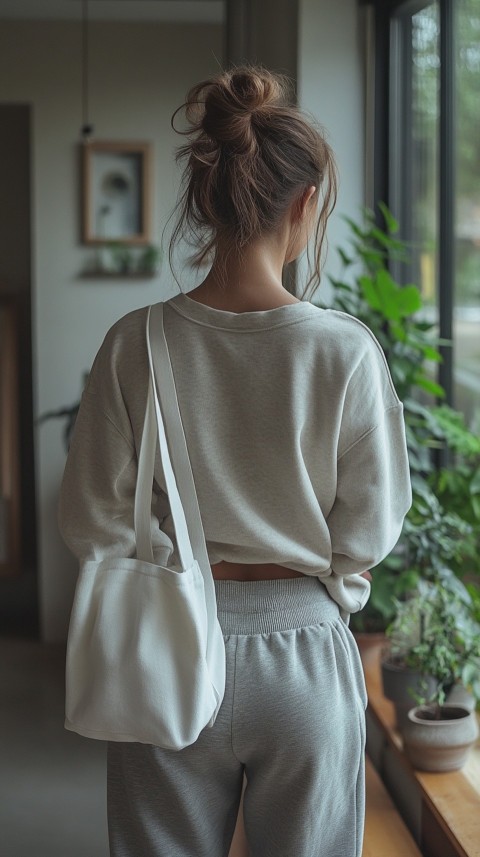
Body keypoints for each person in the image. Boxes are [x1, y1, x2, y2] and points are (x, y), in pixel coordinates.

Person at [59, 66, 412, 857]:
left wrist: (165, 563)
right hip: (306, 657)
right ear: (304, 204)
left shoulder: (135, 342)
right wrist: (324, 591)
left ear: (205, 200)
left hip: (170, 644)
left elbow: (92, 518)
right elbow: (371, 525)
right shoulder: (344, 351)